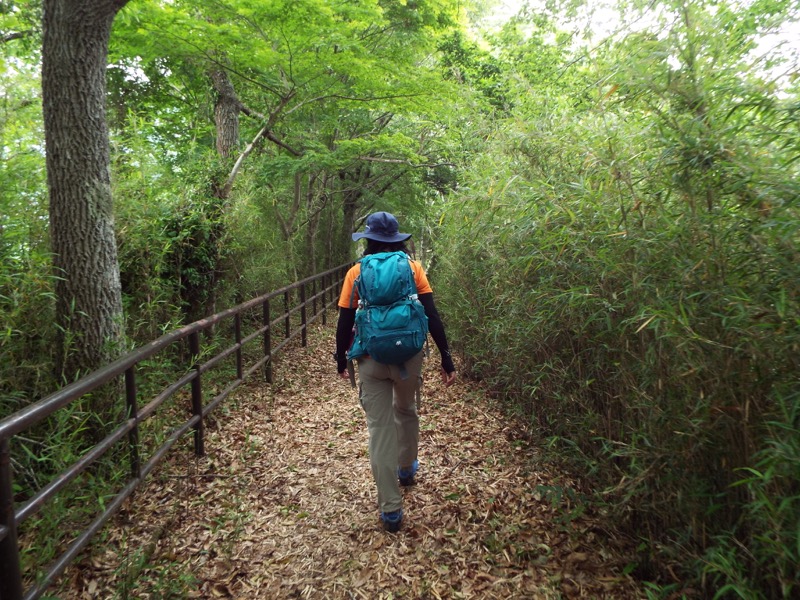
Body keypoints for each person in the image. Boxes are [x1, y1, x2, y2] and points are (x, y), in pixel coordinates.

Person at [335, 211, 457, 533]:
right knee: (406, 409)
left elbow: (345, 321)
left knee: (379, 429)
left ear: (369, 240)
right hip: (409, 356)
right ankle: (406, 469)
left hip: (371, 358)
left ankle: (390, 510)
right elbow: (431, 315)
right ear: (396, 239)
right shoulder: (413, 268)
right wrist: (447, 358)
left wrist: (340, 359)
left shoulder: (356, 273)